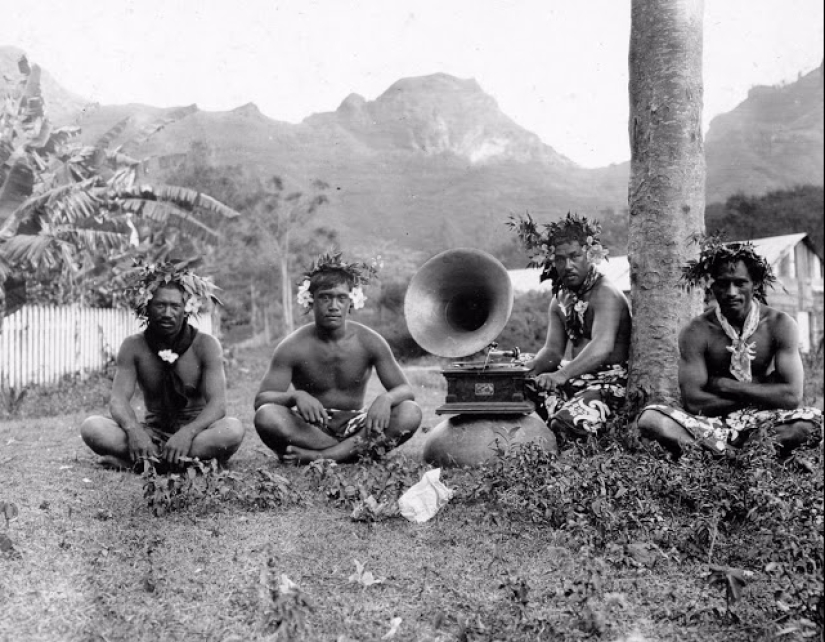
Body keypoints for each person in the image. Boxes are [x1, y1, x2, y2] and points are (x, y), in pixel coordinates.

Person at [638, 238, 822, 458]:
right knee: (651, 419)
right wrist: (762, 389)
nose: (732, 292)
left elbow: (792, 396)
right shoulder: (696, 331)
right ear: (712, 286)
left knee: (812, 423)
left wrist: (726, 385)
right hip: (709, 423)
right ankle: (736, 456)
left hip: (763, 421)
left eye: (740, 283)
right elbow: (694, 401)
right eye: (723, 283)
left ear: (755, 284)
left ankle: (717, 453)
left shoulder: (780, 325)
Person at [254, 252, 422, 464]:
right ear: (310, 301)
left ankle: (323, 456)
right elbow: (261, 400)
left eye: (341, 298)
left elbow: (406, 391)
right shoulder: (292, 346)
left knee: (410, 412)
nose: (333, 306)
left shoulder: (369, 341)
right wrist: (295, 397)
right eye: (325, 297)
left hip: (358, 428)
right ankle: (351, 453)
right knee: (266, 415)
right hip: (311, 429)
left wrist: (385, 399)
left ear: (351, 302)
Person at [81, 262, 244, 470]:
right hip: (152, 434)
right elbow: (118, 400)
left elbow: (218, 405)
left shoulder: (206, 345)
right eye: (160, 305)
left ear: (186, 309)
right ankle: (179, 463)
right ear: (147, 307)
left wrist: (188, 433)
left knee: (233, 430)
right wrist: (135, 432)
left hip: (195, 435)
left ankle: (144, 463)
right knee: (92, 427)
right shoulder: (133, 346)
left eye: (175, 306)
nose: (167, 313)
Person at [509, 212, 632, 443]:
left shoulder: (606, 294)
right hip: (573, 379)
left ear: (590, 254)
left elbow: (602, 347)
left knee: (564, 423)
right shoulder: (560, 299)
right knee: (517, 372)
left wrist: (561, 375)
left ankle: (561, 424)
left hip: (609, 383)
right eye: (560, 259)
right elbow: (553, 352)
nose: (568, 265)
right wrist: (526, 371)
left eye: (575, 256)